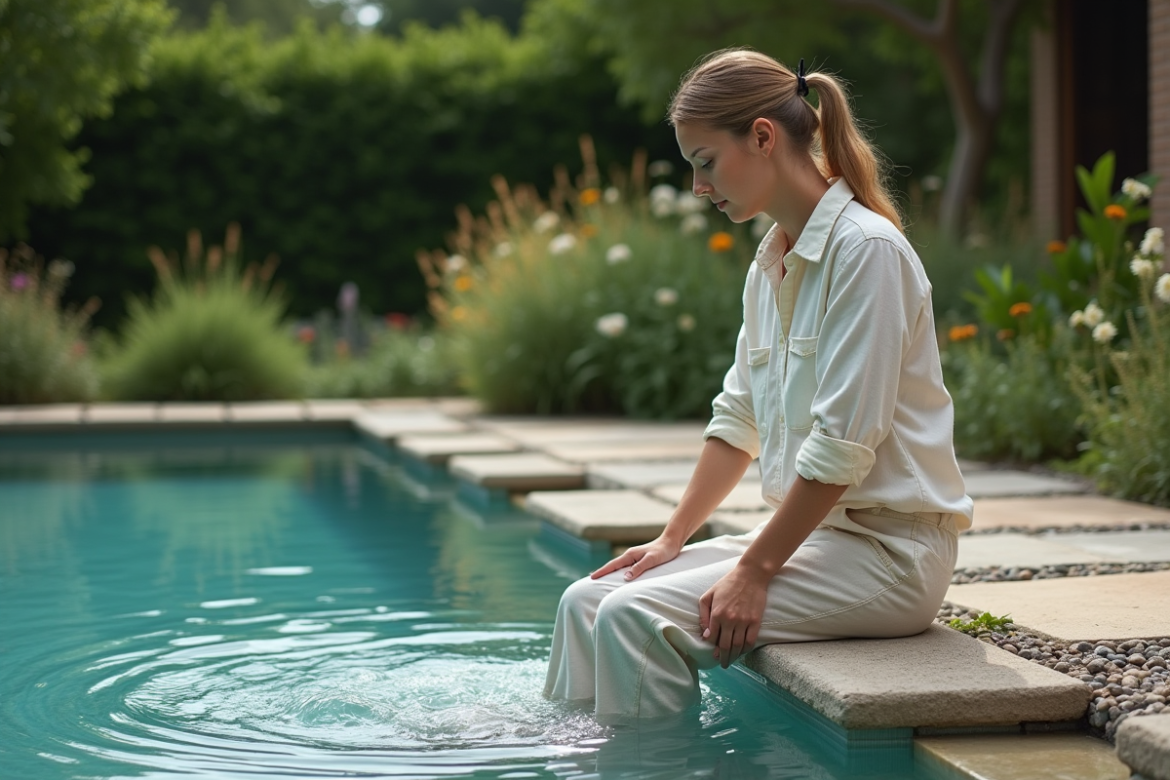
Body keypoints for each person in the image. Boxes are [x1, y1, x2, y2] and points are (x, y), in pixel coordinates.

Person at [542, 48, 974, 725]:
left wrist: (756, 570)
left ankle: (651, 773)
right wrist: (671, 539)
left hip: (890, 558)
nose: (698, 187)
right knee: (587, 600)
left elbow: (842, 449)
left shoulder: (867, 253)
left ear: (764, 138)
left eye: (705, 162)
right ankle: (572, 753)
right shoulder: (771, 260)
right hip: (819, 543)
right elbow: (737, 416)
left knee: (631, 618)